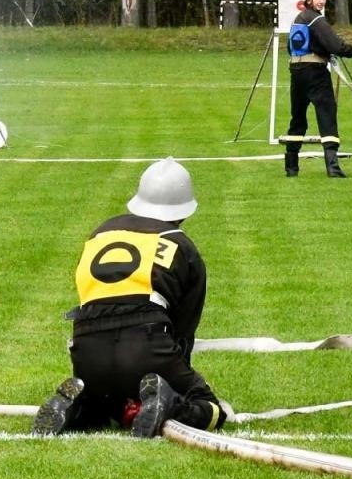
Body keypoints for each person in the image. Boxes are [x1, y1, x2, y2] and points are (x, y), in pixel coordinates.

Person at [31, 158, 227, 439]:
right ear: (184, 210)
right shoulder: (182, 245)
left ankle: (81, 406)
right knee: (212, 410)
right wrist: (175, 379)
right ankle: (168, 405)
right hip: (146, 343)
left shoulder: (101, 233)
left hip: (86, 349)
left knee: (108, 401)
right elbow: (183, 332)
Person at [283, 0, 352, 178]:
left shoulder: (298, 19)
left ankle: (291, 167)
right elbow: (335, 45)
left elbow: (290, 47)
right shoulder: (316, 19)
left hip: (296, 72)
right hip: (315, 73)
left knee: (297, 118)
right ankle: (333, 168)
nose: (321, 1)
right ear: (309, 0)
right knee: (327, 114)